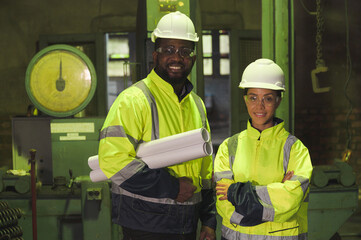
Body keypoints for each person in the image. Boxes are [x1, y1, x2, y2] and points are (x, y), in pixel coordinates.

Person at [98, 11, 216, 240]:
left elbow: (205, 172)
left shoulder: (197, 105)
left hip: (187, 225)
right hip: (145, 225)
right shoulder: (134, 100)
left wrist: (209, 220)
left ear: (193, 57)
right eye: (169, 50)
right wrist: (171, 188)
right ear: (155, 55)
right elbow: (113, 161)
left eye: (185, 51)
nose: (177, 58)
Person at [214, 58, 313, 239]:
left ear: (278, 101)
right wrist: (276, 191)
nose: (259, 106)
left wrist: (236, 192)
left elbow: (290, 201)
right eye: (253, 98)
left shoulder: (295, 150)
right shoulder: (228, 148)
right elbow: (223, 205)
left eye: (267, 98)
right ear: (245, 100)